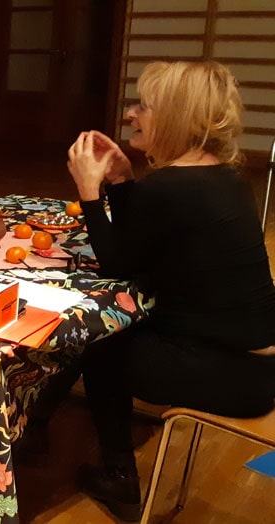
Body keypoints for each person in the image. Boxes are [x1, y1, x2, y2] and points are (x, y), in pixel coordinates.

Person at [64, 61, 275, 521]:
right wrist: (122, 181)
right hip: (258, 366)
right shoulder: (224, 176)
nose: (131, 114)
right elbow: (140, 244)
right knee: (119, 324)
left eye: (144, 106)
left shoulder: (171, 186)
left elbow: (117, 263)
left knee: (100, 344)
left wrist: (89, 192)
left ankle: (118, 476)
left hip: (230, 375)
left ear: (177, 117)